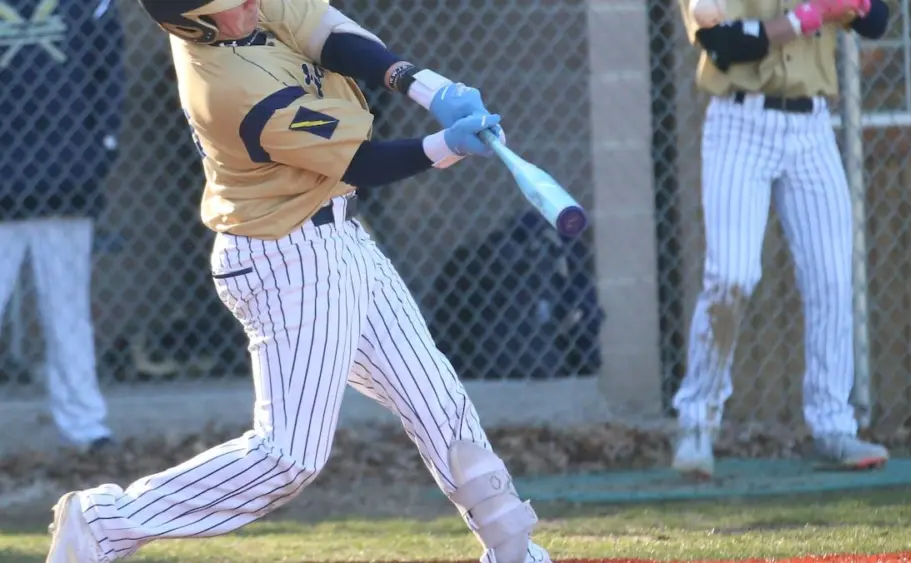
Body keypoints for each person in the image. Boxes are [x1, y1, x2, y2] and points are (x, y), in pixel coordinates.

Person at [44, 1, 551, 562]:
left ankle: (513, 552)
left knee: (441, 406)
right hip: (285, 259)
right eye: (232, 5)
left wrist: (428, 88)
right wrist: (446, 146)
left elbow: (330, 33)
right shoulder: (230, 90)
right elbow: (362, 162)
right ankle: (105, 523)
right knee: (288, 456)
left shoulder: (242, 12)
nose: (250, 5)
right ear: (194, 22)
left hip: (343, 239)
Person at [670, 0, 892, 478]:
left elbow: (877, 22)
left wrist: (855, 4)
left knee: (832, 277)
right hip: (738, 125)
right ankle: (697, 422)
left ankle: (833, 424)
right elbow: (722, 44)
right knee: (731, 275)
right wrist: (806, 19)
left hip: (812, 128)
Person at [0, 0, 123, 453]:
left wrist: (95, 158)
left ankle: (86, 427)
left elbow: (108, 81)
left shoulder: (90, 5)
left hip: (65, 182)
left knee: (67, 310)